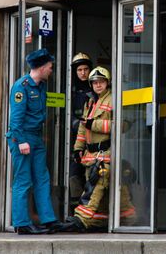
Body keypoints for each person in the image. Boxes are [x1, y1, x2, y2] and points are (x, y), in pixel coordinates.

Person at [55, 66, 136, 232]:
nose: (98, 85)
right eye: (95, 82)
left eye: (101, 82)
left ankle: (81, 218)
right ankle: (123, 218)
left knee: (94, 186)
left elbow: (123, 125)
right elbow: (83, 128)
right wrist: (78, 149)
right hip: (90, 154)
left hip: (106, 153)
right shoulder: (90, 101)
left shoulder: (114, 99)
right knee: (111, 191)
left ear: (107, 83)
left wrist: (96, 124)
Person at [6, 49, 61, 235]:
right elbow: (16, 119)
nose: (51, 70)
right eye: (50, 67)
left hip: (36, 137)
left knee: (42, 178)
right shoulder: (21, 87)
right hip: (22, 137)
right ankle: (21, 223)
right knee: (23, 180)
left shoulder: (41, 85)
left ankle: (48, 220)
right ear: (43, 67)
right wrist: (21, 141)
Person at [68, 52, 94, 210]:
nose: (83, 73)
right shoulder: (70, 90)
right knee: (74, 174)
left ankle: (89, 210)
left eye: (85, 69)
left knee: (91, 174)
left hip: (93, 138)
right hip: (74, 138)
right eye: (79, 70)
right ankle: (75, 210)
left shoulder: (96, 88)